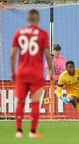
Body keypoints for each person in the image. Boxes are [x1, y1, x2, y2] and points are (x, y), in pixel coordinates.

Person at [10, 9, 53, 138]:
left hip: (22, 72)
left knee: (20, 102)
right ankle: (32, 132)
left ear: (27, 19)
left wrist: (12, 71)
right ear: (38, 20)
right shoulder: (43, 34)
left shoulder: (19, 33)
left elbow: (12, 55)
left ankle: (18, 131)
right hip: (36, 73)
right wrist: (50, 72)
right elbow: (47, 56)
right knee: (35, 103)